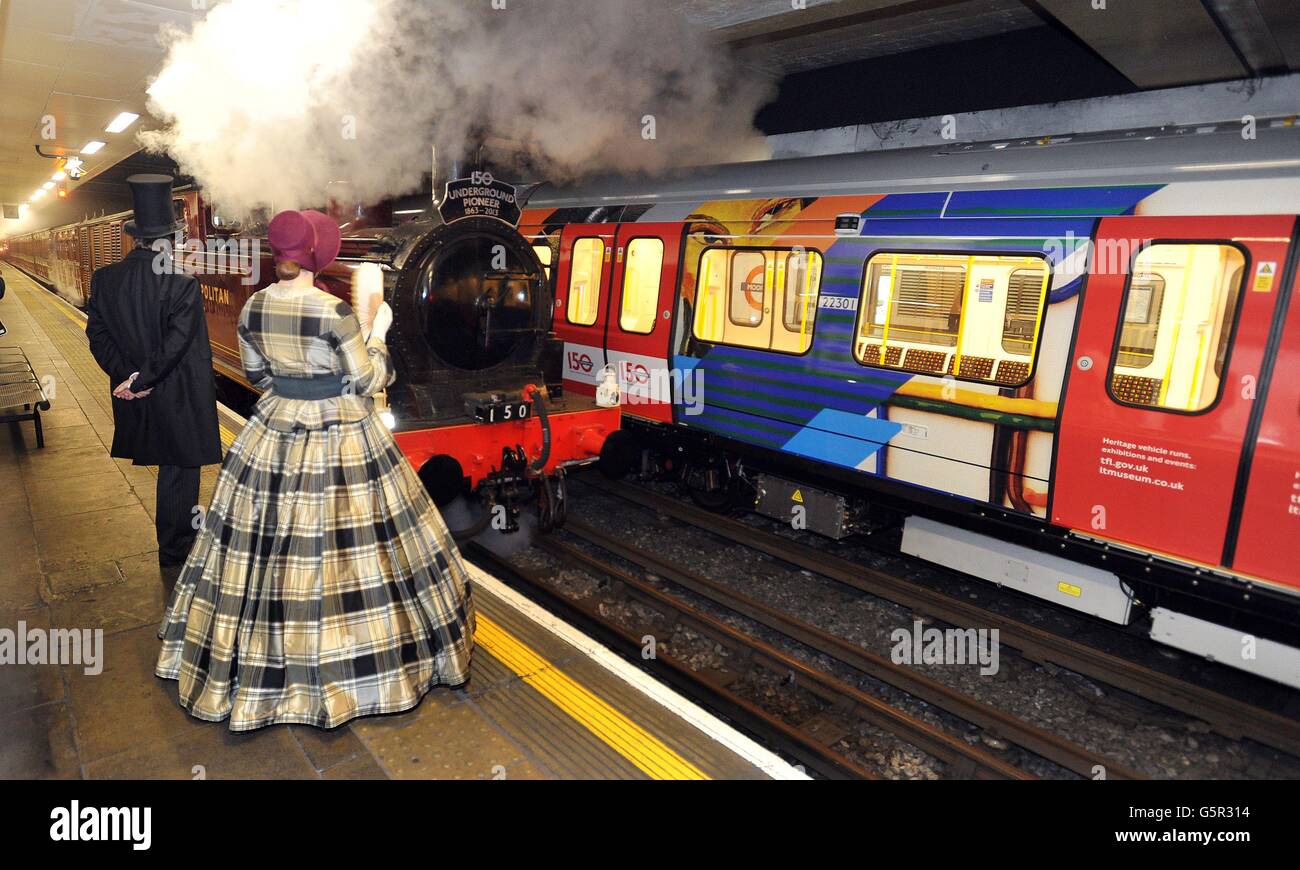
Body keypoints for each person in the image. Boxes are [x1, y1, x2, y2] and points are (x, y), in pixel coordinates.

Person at [156, 209, 474, 731]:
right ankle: (357, 671)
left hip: (276, 426)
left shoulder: (254, 307)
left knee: (257, 545)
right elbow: (369, 380)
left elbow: (257, 375)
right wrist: (379, 331)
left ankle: (255, 672)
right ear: (317, 255)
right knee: (358, 543)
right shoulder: (333, 312)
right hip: (341, 432)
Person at [85, 174, 222, 577]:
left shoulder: (104, 279)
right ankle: (176, 552)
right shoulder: (182, 285)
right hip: (176, 395)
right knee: (180, 472)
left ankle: (176, 546)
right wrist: (144, 380)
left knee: (169, 469)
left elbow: (97, 334)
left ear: (136, 238)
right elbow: (176, 347)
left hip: (136, 394)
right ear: (169, 240)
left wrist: (127, 378)